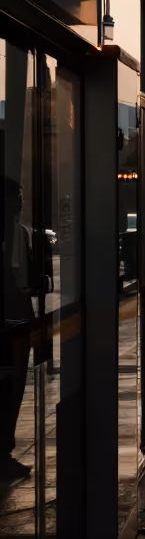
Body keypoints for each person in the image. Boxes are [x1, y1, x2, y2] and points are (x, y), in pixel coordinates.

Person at [0, 179, 34, 481]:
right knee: (9, 386)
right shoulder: (12, 234)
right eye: (17, 197)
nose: (21, 203)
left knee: (15, 385)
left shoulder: (21, 232)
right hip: (12, 317)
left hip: (20, 314)